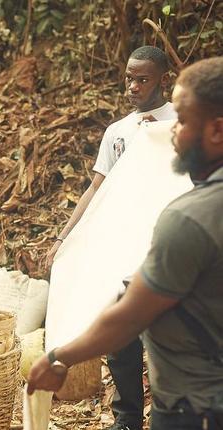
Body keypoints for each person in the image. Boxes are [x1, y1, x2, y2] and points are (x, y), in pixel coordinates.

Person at [28, 56, 223, 430]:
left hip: (195, 406)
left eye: (182, 122)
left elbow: (131, 314)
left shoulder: (190, 218)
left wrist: (59, 356)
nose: (173, 133)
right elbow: (98, 188)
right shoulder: (120, 133)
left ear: (215, 131)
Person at [45, 46, 176, 430]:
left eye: (143, 79)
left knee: (165, 339)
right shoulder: (117, 132)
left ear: (163, 80)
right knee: (121, 339)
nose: (132, 87)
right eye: (128, 78)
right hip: (121, 244)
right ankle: (127, 418)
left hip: (167, 244)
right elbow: (96, 189)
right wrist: (62, 238)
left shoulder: (180, 121)